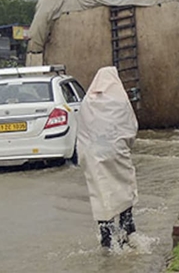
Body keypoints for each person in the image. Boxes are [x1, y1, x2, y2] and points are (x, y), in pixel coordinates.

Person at [77, 66, 139, 249]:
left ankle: (107, 238)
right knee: (124, 189)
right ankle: (127, 231)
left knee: (101, 191)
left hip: (93, 156)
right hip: (117, 153)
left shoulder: (87, 102)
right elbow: (130, 127)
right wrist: (124, 145)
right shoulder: (120, 100)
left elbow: (82, 129)